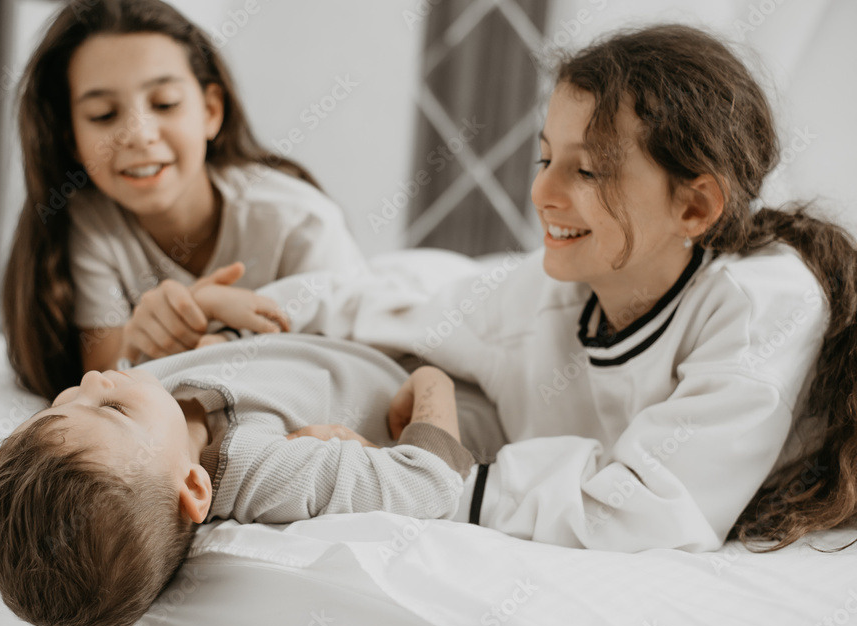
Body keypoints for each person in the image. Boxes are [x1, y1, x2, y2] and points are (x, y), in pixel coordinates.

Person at [254, 24, 857, 553]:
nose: (542, 193)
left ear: (695, 206)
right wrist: (268, 307)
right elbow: (418, 301)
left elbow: (650, 510)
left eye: (588, 170)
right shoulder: (560, 290)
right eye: (545, 160)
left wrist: (422, 480)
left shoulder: (762, 306)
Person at [0, 314, 471, 626]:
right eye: (112, 408)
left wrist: (219, 326)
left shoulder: (153, 403)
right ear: (194, 487)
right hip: (443, 384)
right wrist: (433, 383)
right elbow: (428, 485)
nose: (91, 380)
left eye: (61, 403)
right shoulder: (262, 468)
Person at [2, 0, 366, 402]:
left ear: (211, 111)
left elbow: (358, 375)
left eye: (165, 104)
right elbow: (104, 378)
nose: (139, 134)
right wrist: (135, 344)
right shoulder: (90, 221)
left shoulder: (301, 222)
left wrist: (215, 327)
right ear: (71, 139)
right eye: (103, 115)